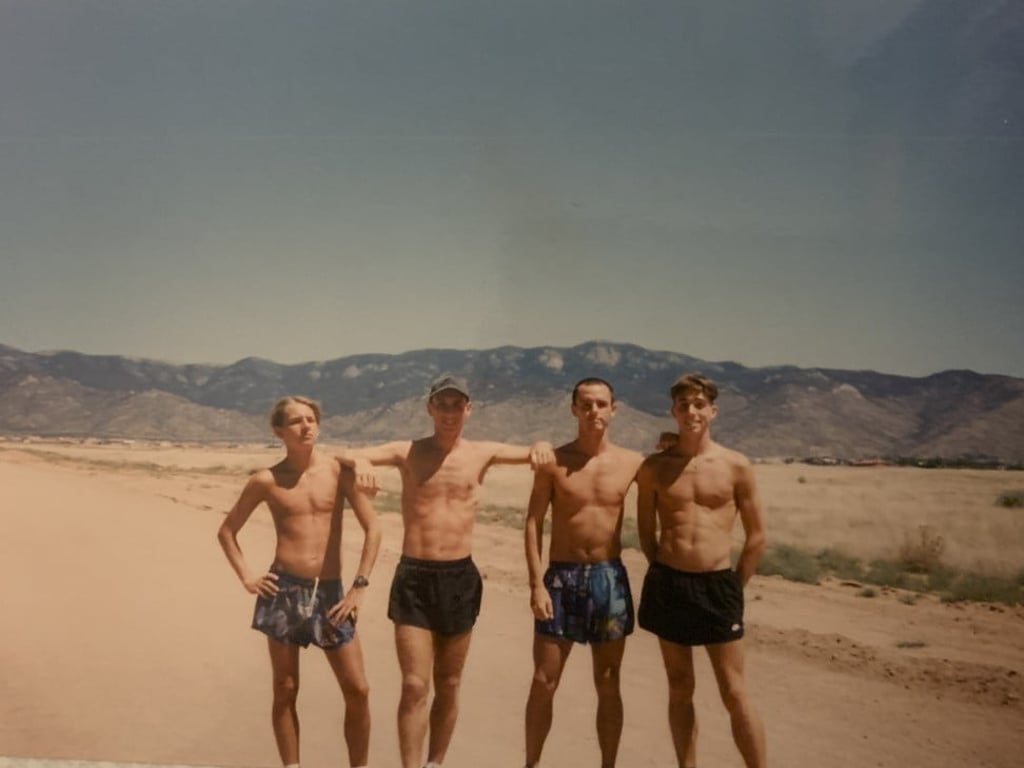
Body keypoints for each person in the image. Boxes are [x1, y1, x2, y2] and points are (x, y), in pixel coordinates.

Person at [338, 375, 554, 768]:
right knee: (414, 684)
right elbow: (343, 454)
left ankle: (435, 762)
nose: (450, 412)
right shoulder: (408, 451)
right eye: (443, 404)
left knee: (449, 683)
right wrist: (363, 460)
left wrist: (539, 445)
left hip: (459, 578)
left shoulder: (483, 453)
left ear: (468, 409)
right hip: (414, 576)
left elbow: (534, 452)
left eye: (457, 404)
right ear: (430, 409)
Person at [217, 395, 382, 768]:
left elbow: (374, 529)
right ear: (279, 431)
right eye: (295, 421)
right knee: (286, 688)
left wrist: (360, 585)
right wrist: (247, 576)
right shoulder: (266, 480)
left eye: (310, 419)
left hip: (331, 594)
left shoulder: (340, 473)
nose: (306, 426)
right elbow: (227, 531)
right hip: (284, 591)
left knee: (358, 689)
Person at [637, 373, 767, 768]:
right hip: (670, 583)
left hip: (718, 586)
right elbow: (646, 532)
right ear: (672, 411)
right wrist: (665, 570)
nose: (691, 412)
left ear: (713, 410)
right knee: (679, 686)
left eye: (698, 404)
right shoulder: (655, 467)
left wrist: (734, 587)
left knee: (733, 690)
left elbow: (757, 536)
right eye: (683, 405)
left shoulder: (736, 466)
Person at [522, 377, 644, 768]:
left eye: (601, 404)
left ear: (614, 409)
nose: (594, 411)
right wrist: (535, 584)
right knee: (544, 681)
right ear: (574, 409)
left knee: (608, 683)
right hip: (560, 578)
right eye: (586, 404)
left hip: (609, 578)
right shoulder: (555, 462)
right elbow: (532, 522)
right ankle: (531, 763)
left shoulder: (633, 462)